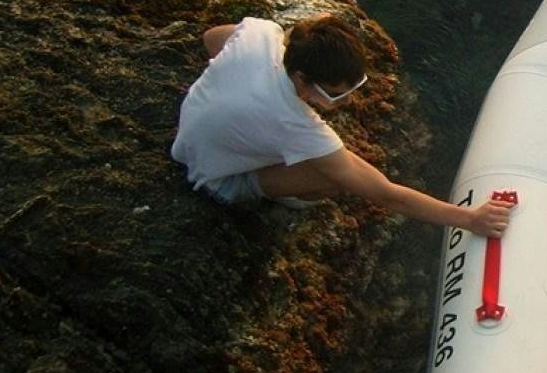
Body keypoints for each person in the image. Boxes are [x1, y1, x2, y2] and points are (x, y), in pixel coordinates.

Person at [170, 14, 512, 238]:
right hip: (211, 177)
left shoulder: (260, 34)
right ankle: (270, 197)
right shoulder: (296, 125)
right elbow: (386, 193)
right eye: (333, 94)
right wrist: (469, 219)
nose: (346, 100)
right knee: (331, 177)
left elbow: (212, 39)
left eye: (355, 87)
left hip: (187, 129)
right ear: (302, 79)